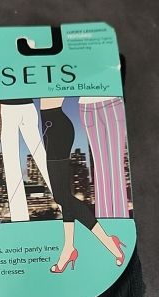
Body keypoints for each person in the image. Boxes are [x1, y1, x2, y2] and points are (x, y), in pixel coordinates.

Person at [40, 97, 125, 273]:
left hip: (56, 129)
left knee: (61, 196)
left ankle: (108, 241)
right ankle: (68, 247)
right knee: (64, 196)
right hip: (52, 129)